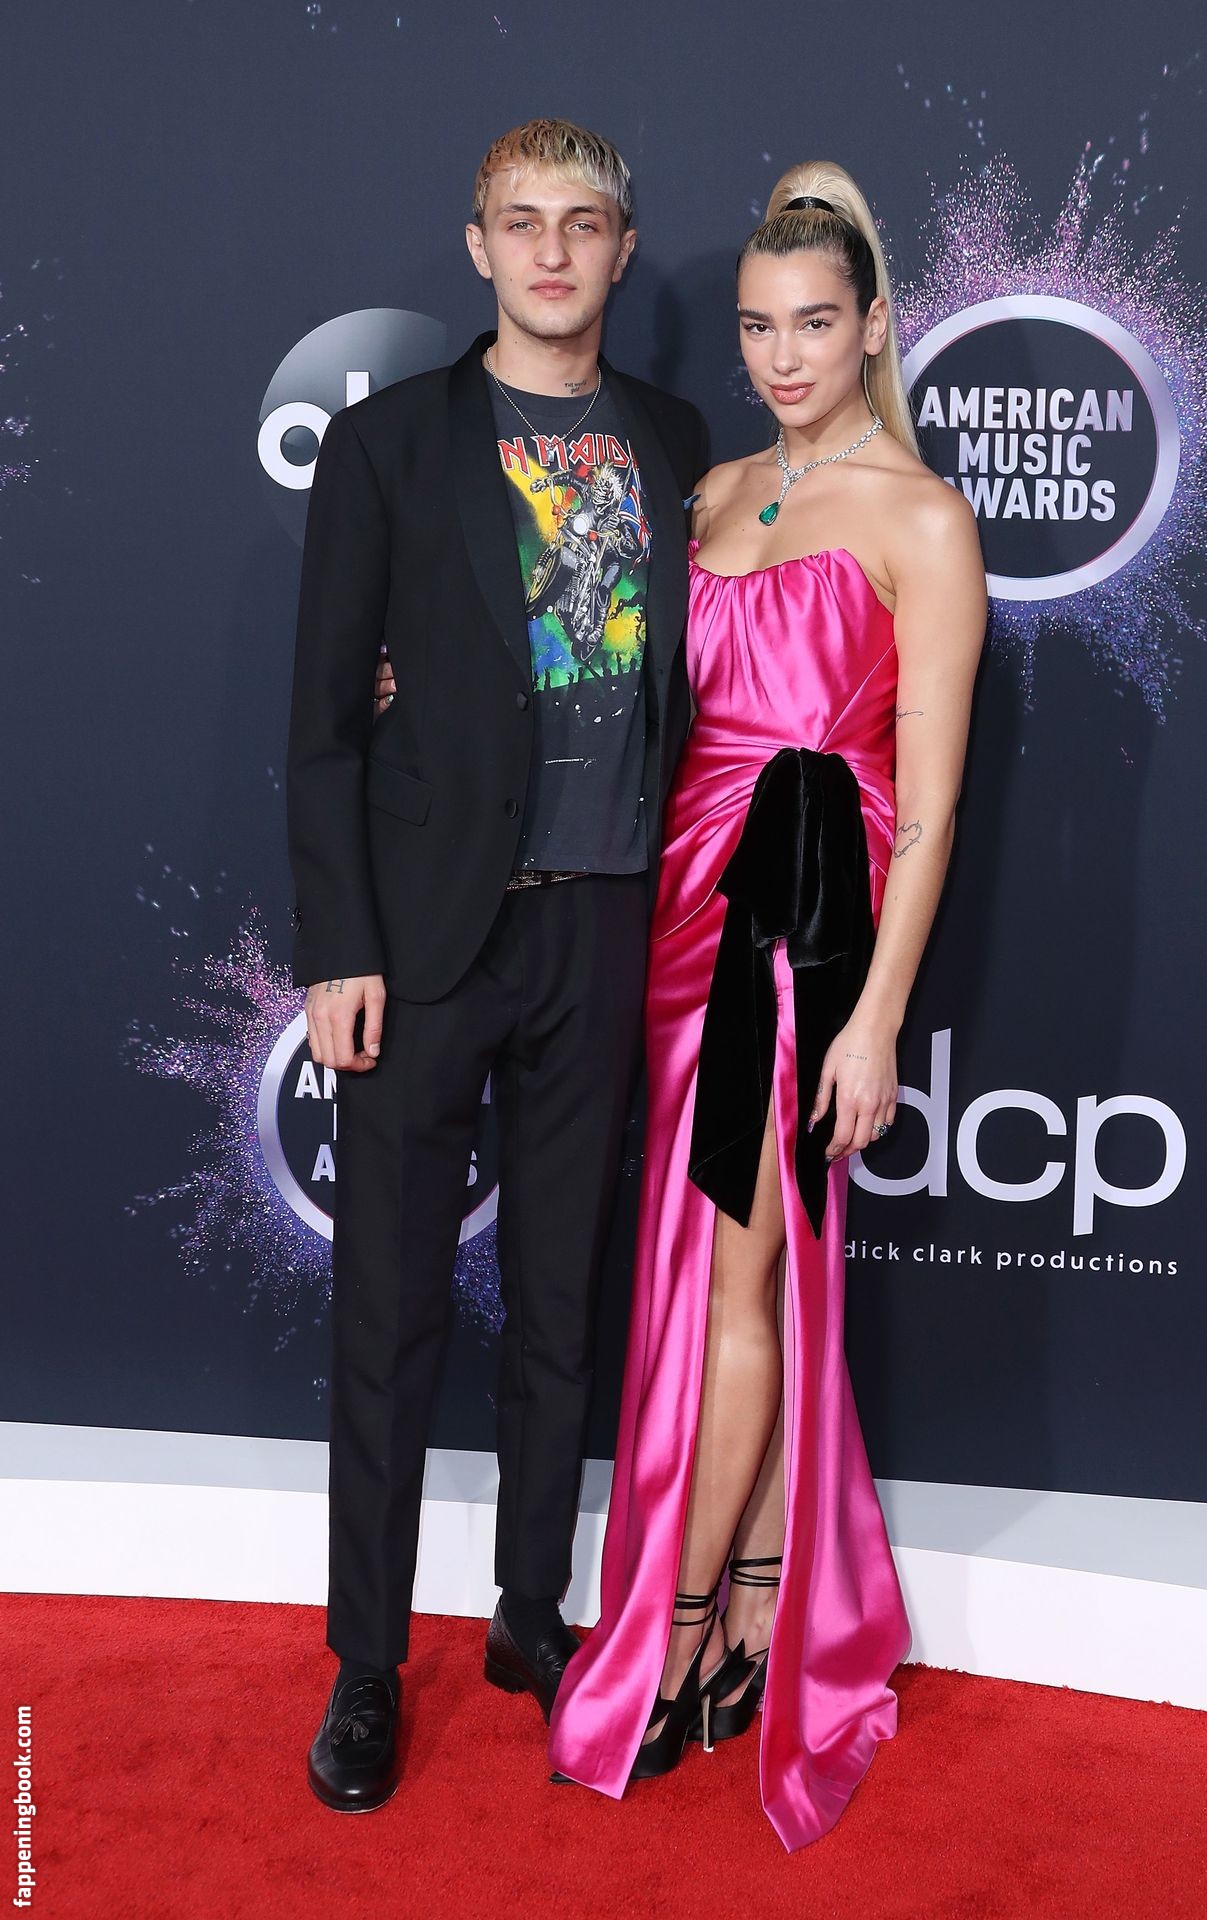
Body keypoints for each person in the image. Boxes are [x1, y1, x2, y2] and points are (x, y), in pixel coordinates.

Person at [544, 162, 988, 1850]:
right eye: (756, 327)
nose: (783, 356)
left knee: (741, 1276)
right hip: (673, 911)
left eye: (815, 324)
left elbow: (930, 808)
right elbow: (603, 673)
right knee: (708, 1273)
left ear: (872, 327)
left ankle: (669, 1635)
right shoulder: (714, 491)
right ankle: (745, 1598)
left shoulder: (923, 520)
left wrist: (877, 1018)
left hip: (801, 931)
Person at [286, 118, 707, 1813]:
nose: (550, 250)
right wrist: (339, 944)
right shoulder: (388, 444)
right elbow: (324, 726)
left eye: (581, 223)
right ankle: (366, 1665)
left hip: (601, 924)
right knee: (389, 1312)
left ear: (621, 247)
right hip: (426, 940)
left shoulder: (677, 441)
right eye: (520, 222)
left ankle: (532, 1612)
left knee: (561, 1302)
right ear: (478, 247)